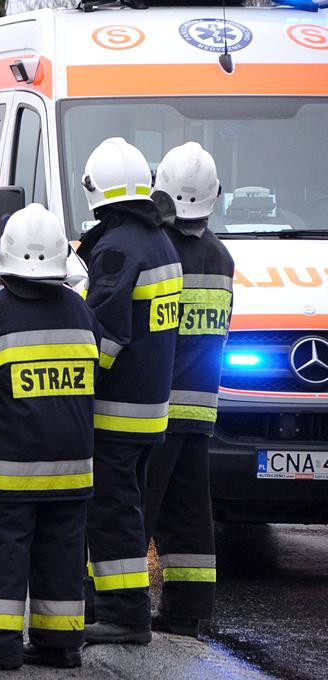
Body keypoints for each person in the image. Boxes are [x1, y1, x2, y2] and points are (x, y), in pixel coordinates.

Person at [0, 204, 100, 670]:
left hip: (9, 471)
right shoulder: (80, 312)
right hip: (72, 468)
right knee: (62, 554)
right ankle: (59, 645)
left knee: (4, 551)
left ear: (6, 257)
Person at [76, 137, 182, 644]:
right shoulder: (160, 240)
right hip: (150, 409)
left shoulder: (118, 246)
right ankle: (105, 605)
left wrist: (72, 384)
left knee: (113, 511)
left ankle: (124, 616)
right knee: (127, 507)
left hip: (115, 412)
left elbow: (107, 334)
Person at [145, 142, 234, 638]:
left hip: (156, 407)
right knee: (189, 513)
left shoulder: (159, 249)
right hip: (201, 410)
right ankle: (188, 610)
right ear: (215, 195)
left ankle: (116, 606)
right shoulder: (221, 256)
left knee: (135, 508)